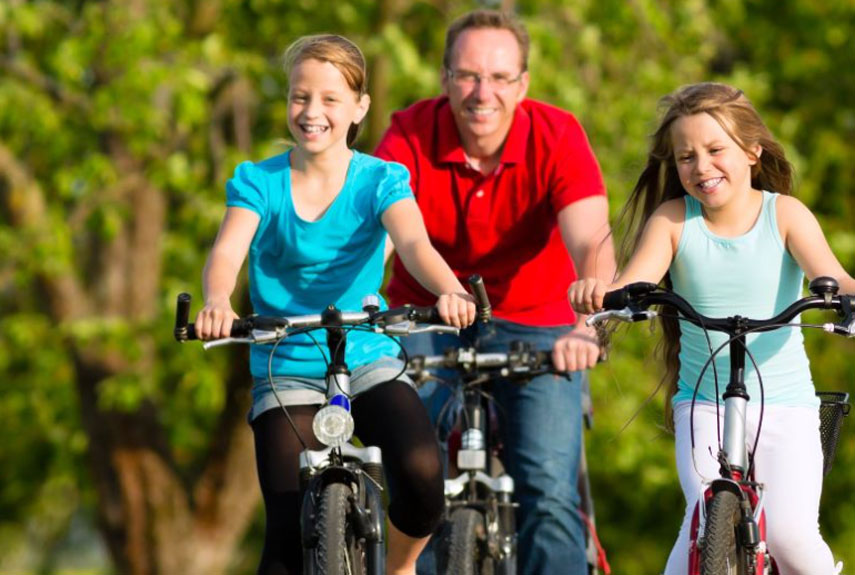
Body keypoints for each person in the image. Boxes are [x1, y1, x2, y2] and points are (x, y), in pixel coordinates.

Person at [194, 34, 477, 575]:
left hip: (367, 356)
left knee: (421, 474)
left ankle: (398, 566)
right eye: (300, 97)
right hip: (286, 365)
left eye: (329, 99)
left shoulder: (380, 179)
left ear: (358, 108)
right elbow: (227, 252)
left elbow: (415, 244)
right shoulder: (259, 182)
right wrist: (215, 301)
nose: (312, 112)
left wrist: (450, 290)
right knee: (283, 529)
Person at [569, 82, 853, 575]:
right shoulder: (675, 219)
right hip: (703, 403)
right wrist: (604, 293)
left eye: (715, 150)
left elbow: (835, 274)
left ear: (751, 151)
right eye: (686, 157)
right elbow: (636, 281)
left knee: (792, 536)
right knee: (699, 530)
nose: (701, 167)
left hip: (785, 405)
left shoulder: (783, 214)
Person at [375, 10, 616, 575]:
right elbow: (378, 231)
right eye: (467, 75)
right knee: (417, 475)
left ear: (523, 84)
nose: (483, 93)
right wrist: (356, 303)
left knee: (548, 488)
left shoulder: (557, 134)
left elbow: (592, 242)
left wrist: (591, 322)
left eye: (500, 78)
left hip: (543, 320)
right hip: (425, 316)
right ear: (444, 79)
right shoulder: (409, 132)